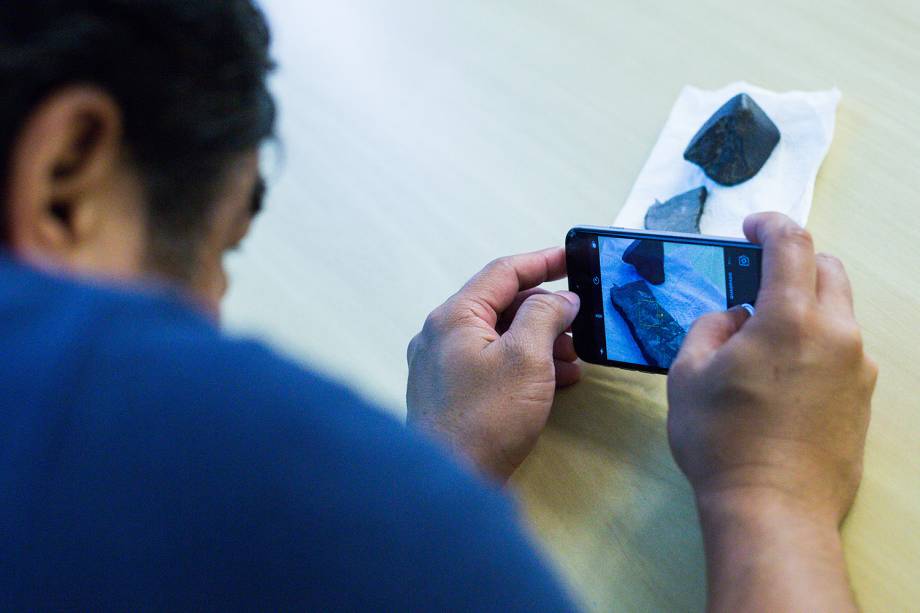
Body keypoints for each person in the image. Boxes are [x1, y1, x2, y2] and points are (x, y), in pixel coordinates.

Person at [0, 1, 877, 611]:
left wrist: (442, 462)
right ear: (68, 179)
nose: (218, 303)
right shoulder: (230, 470)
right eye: (219, 248)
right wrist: (769, 495)